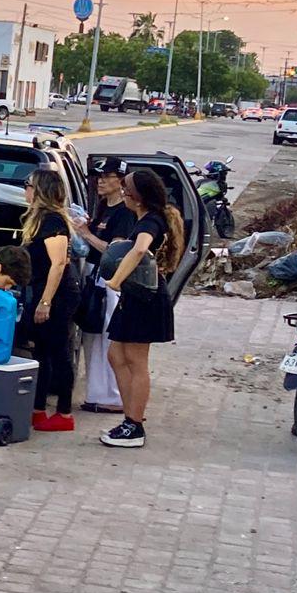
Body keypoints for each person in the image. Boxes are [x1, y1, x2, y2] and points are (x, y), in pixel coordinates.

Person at [101, 169, 183, 448]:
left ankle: (134, 425)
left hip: (145, 297)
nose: (122, 193)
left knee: (136, 361)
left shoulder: (150, 222)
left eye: (127, 190)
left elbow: (140, 249)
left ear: (137, 196)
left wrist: (115, 279)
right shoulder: (144, 218)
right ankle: (129, 417)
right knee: (115, 354)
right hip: (134, 297)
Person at [70, 156, 137, 414]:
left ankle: (113, 395)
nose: (101, 182)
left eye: (107, 177)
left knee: (108, 340)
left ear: (120, 182)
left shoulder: (124, 214)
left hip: (110, 281)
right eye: (99, 177)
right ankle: (97, 393)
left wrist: (86, 234)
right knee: (91, 336)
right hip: (93, 277)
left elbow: (115, 251)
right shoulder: (102, 207)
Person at [20, 168, 83, 432]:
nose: (25, 189)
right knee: (42, 352)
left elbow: (58, 265)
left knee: (58, 351)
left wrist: (45, 302)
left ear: (40, 191)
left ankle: (64, 413)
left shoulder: (52, 222)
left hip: (58, 295)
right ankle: (37, 409)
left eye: (28, 185)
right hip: (44, 290)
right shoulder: (39, 220)